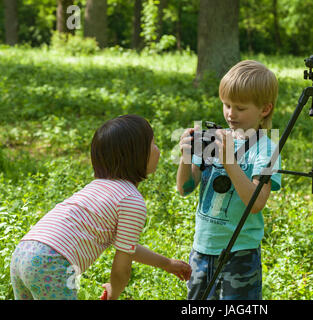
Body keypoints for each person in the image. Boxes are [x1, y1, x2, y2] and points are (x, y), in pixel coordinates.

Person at [10, 114, 191, 300]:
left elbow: (126, 245)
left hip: (23, 253)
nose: (158, 150)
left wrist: (166, 263)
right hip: (51, 262)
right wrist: (113, 293)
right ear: (136, 155)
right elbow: (122, 268)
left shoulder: (98, 188)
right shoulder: (131, 200)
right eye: (153, 144)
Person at [177, 60, 281, 300]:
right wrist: (185, 156)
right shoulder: (216, 138)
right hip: (202, 248)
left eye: (241, 108)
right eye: (226, 105)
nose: (231, 114)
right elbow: (185, 188)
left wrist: (230, 162)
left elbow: (256, 203)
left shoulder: (266, 149)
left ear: (264, 109)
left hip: (240, 253)